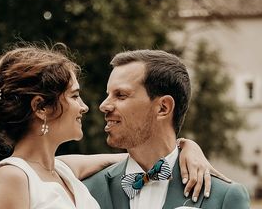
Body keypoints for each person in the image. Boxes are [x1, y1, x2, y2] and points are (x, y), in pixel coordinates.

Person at [0, 44, 223, 209]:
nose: (85, 107)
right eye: (74, 96)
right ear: (41, 108)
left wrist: (186, 147)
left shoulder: (63, 170)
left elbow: (135, 158)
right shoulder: (11, 177)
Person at [83, 49, 251, 208]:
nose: (104, 106)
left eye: (120, 95)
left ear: (163, 107)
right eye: (108, 94)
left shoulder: (223, 197)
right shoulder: (86, 190)